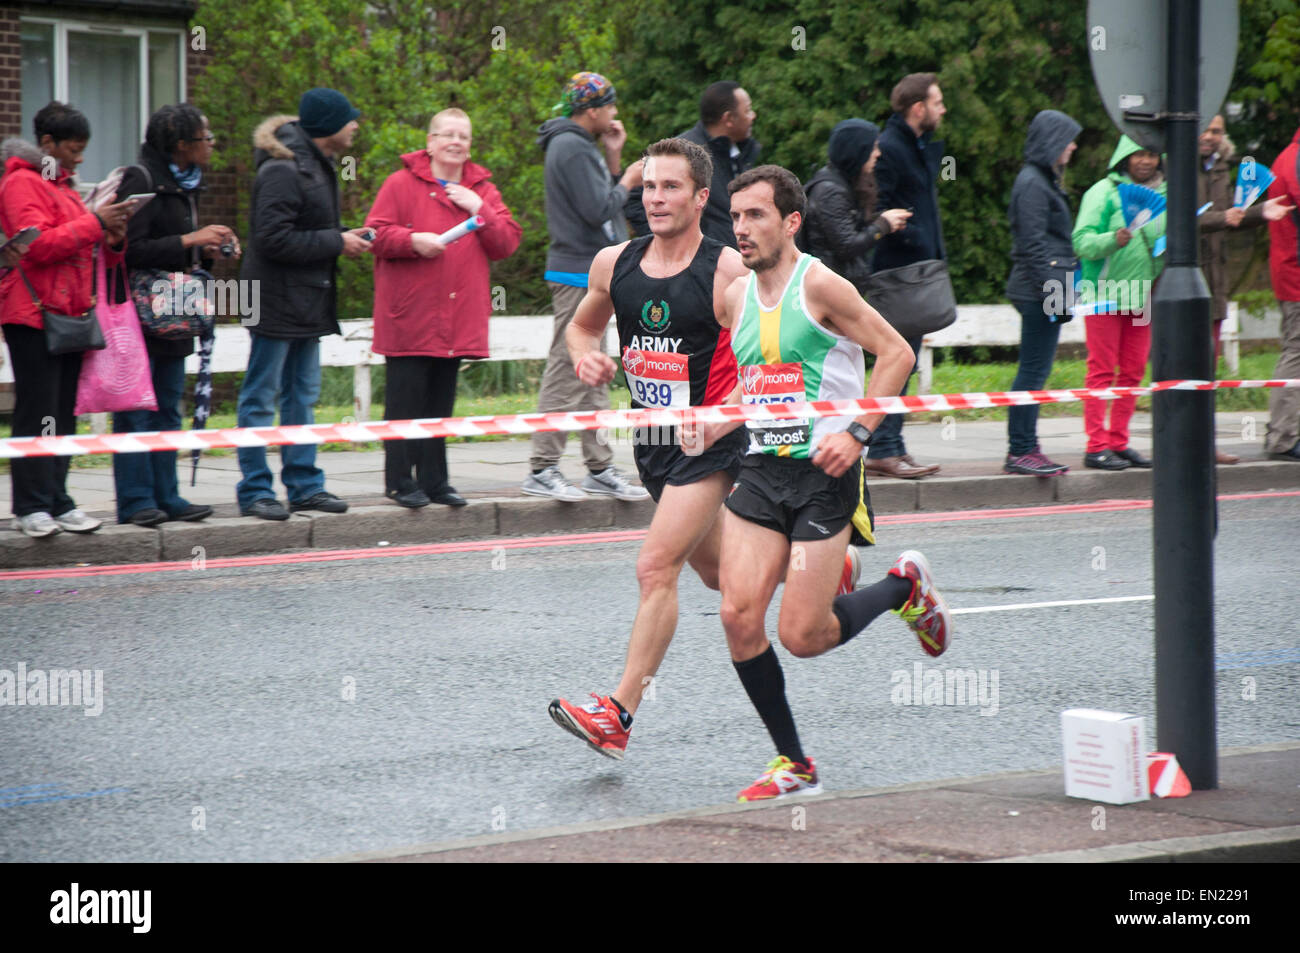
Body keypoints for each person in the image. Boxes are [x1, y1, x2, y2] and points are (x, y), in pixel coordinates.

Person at [547, 141, 862, 761]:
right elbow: (582, 323)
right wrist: (587, 352)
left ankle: (618, 713)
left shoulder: (729, 272)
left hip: (716, 443)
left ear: (699, 198)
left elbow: (773, 351)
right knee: (722, 577)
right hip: (656, 444)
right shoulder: (615, 263)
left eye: (670, 188)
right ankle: (821, 567)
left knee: (655, 566)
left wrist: (730, 419)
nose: (656, 199)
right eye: (648, 188)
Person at [713, 165, 950, 801]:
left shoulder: (821, 284)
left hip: (825, 473)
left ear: (791, 222)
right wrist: (712, 422)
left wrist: (858, 433)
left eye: (756, 216)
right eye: (736, 217)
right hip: (762, 469)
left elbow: (896, 351)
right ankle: (794, 763)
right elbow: (758, 376)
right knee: (738, 615)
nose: (742, 229)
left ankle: (904, 586)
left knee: (802, 636)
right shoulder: (734, 297)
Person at [366, 108, 522, 508]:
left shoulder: (483, 190)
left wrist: (477, 208)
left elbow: (505, 243)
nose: (456, 142)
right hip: (411, 316)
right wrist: (412, 240)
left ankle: (436, 482)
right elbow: (374, 234)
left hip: (456, 321)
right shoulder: (400, 184)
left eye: (464, 136)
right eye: (448, 135)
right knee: (404, 404)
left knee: (440, 406)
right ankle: (400, 481)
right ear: (431, 142)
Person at [236, 88, 372, 520]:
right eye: (349, 119)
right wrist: (337, 241)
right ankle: (255, 490)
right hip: (272, 301)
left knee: (302, 398)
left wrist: (347, 235)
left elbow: (304, 229)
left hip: (305, 301)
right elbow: (271, 239)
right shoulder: (282, 169)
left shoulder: (314, 164)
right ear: (327, 126)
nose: (355, 125)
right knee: (260, 398)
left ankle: (304, 486)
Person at [0, 102, 133, 537]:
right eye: (73, 150)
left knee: (62, 412)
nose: (79, 158)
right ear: (47, 145)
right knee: (38, 410)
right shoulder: (21, 182)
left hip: (70, 312)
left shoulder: (66, 186)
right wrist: (95, 223)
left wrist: (112, 237)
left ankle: (58, 499)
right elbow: (36, 246)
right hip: (32, 312)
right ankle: (30, 506)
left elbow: (83, 247)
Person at [523, 71, 648, 503]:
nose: (615, 114)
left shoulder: (581, 146)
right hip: (578, 272)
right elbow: (600, 208)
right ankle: (542, 467)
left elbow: (601, 204)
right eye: (610, 106)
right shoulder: (571, 147)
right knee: (566, 366)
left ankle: (599, 466)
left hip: (594, 271)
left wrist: (614, 160)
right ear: (592, 110)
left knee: (593, 374)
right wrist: (629, 179)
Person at [110, 103, 231, 527]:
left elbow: (179, 254)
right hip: (138, 318)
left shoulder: (188, 185)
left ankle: (167, 495)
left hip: (175, 313)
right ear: (182, 144)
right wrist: (189, 238)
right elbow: (131, 252)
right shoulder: (140, 180)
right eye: (206, 136)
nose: (212, 144)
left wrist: (205, 250)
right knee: (134, 409)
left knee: (166, 409)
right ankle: (136, 500)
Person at [863, 73, 948, 480]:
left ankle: (893, 445)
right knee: (898, 359)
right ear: (918, 108)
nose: (943, 109)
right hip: (897, 271)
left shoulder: (916, 146)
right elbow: (877, 206)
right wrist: (915, 238)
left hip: (915, 268)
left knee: (907, 360)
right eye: (938, 102)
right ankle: (882, 448)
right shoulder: (892, 147)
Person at [1197, 114, 1293, 465]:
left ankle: (1204, 444)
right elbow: (1178, 217)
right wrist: (1224, 218)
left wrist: (1260, 211)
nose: (1210, 135)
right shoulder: (1176, 167)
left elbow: (1230, 215)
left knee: (1207, 369)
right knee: (1183, 371)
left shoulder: (1221, 168)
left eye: (1217, 130)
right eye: (1205, 129)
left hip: (1216, 281)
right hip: (1184, 282)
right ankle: (1182, 444)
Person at [1072, 136, 1166, 471]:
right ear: (1124, 157)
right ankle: (1096, 447)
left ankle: (1118, 442)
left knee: (1133, 371)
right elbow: (1081, 241)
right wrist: (1113, 238)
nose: (1145, 160)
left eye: (1152, 154)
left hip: (1142, 299)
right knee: (1101, 370)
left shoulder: (1166, 195)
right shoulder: (1102, 192)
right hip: (1103, 297)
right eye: (1138, 153)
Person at [1003, 109, 1082, 477]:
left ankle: (1026, 446)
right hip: (1037, 291)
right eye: (1068, 138)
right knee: (1033, 372)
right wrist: (1053, 296)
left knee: (1035, 370)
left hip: (1041, 289)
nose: (1074, 145)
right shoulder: (1033, 183)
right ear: (1052, 140)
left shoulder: (1040, 179)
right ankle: (1021, 449)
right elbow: (1032, 245)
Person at [624, 81, 760, 247]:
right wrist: (666, 242)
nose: (753, 116)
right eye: (747, 110)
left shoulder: (740, 152)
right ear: (728, 118)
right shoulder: (681, 153)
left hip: (731, 261)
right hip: (700, 264)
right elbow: (634, 194)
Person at [801, 118, 911, 293]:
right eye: (873, 147)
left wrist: (880, 219)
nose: (878, 154)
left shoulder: (843, 182)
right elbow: (847, 245)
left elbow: (846, 227)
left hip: (838, 285)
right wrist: (882, 225)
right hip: (831, 290)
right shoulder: (830, 191)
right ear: (857, 150)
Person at [1265, 124, 1300, 463]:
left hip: (1289, 268)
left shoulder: (1288, 157)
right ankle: (1283, 436)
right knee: (1295, 351)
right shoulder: (1296, 159)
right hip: (1296, 274)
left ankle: (1285, 431)